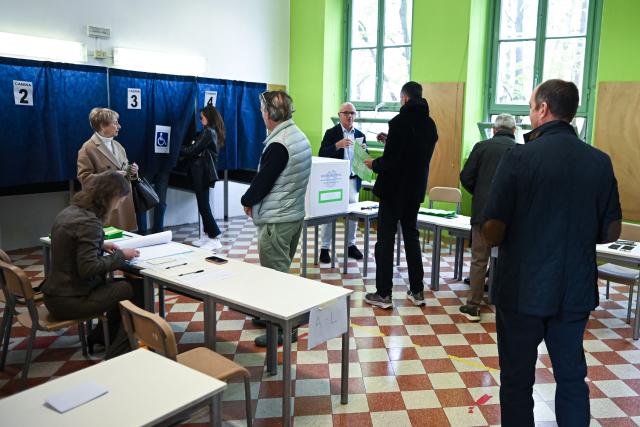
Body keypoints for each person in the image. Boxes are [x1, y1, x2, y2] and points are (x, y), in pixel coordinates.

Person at [482, 79, 622, 426]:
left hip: (522, 291)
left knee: (517, 381)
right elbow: (611, 231)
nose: (530, 113)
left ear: (543, 109)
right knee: (572, 379)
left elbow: (494, 229)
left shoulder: (519, 156)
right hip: (573, 290)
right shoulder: (599, 161)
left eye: (531, 106)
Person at [41, 171, 145, 359]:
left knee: (125, 287)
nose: (118, 206)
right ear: (112, 198)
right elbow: (88, 268)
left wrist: (100, 244)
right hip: (70, 300)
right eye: (121, 199)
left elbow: (73, 245)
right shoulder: (90, 224)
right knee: (135, 289)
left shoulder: (70, 211)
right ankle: (120, 353)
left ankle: (102, 338)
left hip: (55, 294)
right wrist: (121, 255)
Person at [241, 90, 312, 346]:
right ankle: (273, 316)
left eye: (262, 110)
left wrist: (247, 200)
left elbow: (265, 180)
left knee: (276, 278)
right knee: (280, 271)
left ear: (269, 114)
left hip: (277, 221)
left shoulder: (279, 144)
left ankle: (285, 329)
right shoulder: (298, 136)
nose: (261, 114)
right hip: (292, 216)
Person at [362, 81, 438, 309]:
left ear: (404, 99)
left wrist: (373, 163)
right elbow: (413, 152)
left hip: (394, 191)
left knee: (385, 240)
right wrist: (389, 140)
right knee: (411, 237)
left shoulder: (399, 122)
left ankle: (383, 294)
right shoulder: (430, 124)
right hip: (414, 191)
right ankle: (417, 291)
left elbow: (392, 161)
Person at [458, 113, 517, 321]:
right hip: (511, 217)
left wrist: (480, 193)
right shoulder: (520, 150)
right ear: (514, 131)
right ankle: (507, 306)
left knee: (478, 260)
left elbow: (466, 177)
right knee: (509, 260)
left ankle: (473, 306)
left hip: (483, 214)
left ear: (494, 130)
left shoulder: (481, 147)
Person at [318, 102, 366, 263]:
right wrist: (337, 146)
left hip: (353, 181)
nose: (350, 116)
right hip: (335, 181)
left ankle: (350, 245)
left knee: (353, 215)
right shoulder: (331, 133)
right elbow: (321, 153)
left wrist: (364, 153)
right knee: (330, 213)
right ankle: (325, 248)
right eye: (346, 113)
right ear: (339, 115)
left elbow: (362, 162)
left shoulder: (360, 134)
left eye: (352, 113)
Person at [78, 108, 139, 231]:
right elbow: (84, 178)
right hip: (105, 204)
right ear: (102, 125)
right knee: (109, 243)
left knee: (126, 240)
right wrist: (109, 176)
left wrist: (133, 171)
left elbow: (125, 171)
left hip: (123, 201)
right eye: (115, 123)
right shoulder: (87, 148)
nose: (119, 126)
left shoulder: (118, 146)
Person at [181, 105, 225, 250]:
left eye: (202, 117)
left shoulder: (208, 132)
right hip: (200, 172)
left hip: (203, 173)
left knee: (204, 206)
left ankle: (214, 237)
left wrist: (178, 148)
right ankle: (208, 235)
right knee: (202, 205)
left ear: (209, 117)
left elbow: (193, 150)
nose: (200, 120)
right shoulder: (209, 132)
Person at [135, 170, 170, 235]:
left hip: (145, 165)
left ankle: (143, 233)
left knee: (141, 201)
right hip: (163, 165)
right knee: (160, 201)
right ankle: (158, 231)